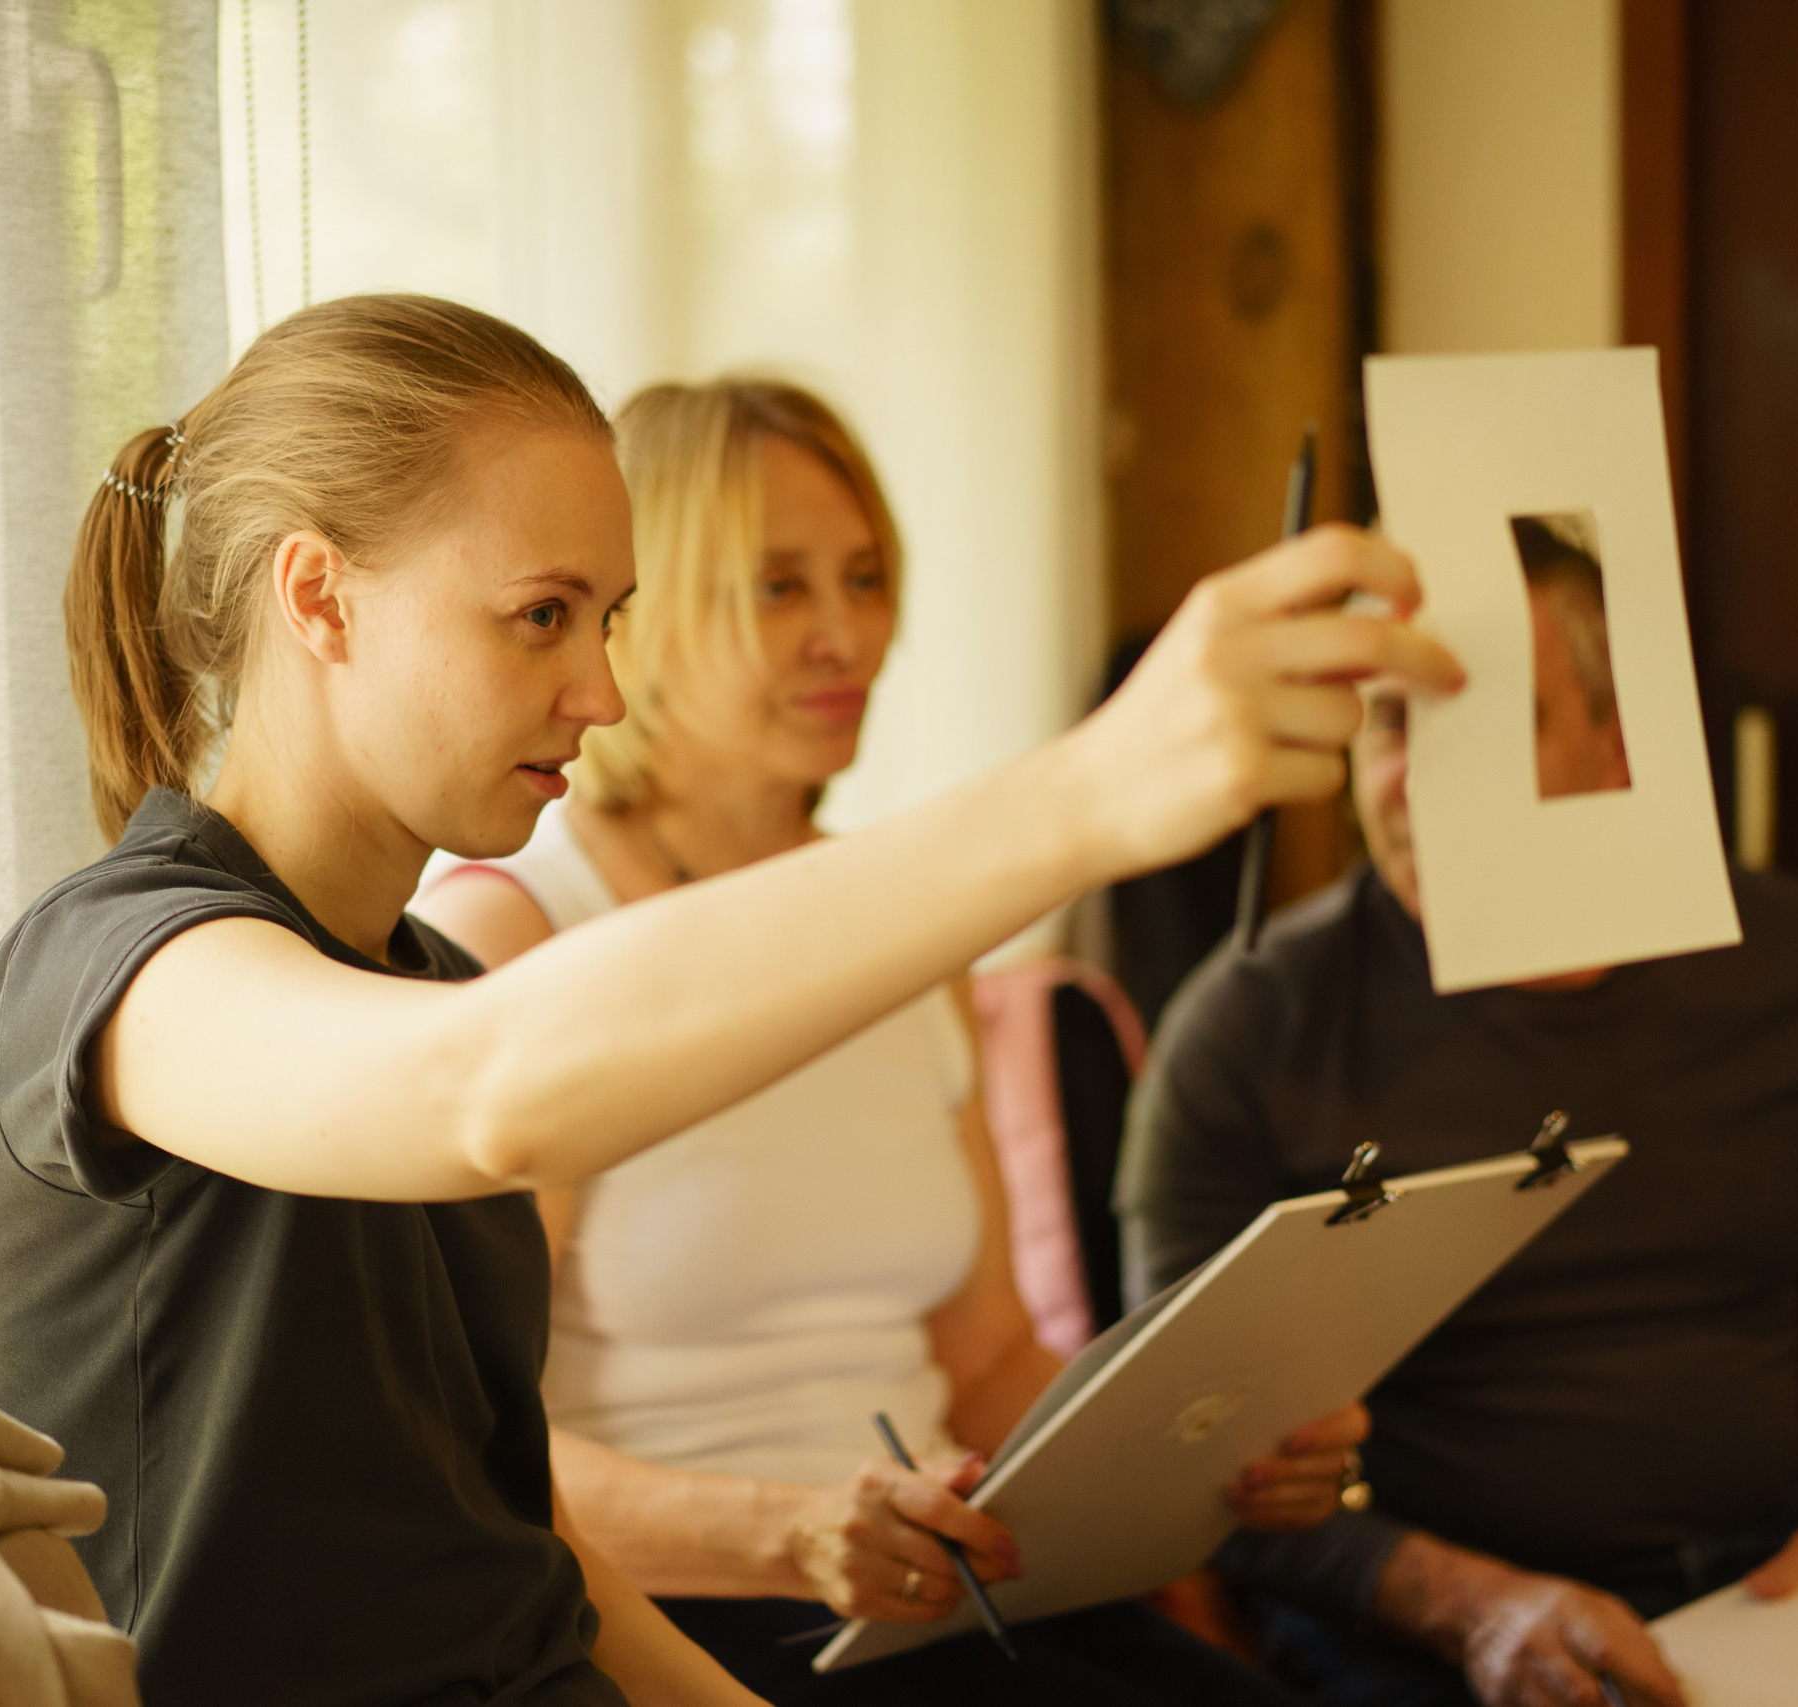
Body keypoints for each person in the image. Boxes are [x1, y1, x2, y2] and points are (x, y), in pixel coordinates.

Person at [0, 296, 1464, 1707]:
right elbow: (484, 1090)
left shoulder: (425, 975)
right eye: (542, 614)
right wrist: (1093, 791)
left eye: (610, 619)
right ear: (318, 597)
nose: (599, 688)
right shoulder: (120, 972)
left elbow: (536, 1548)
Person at [1116, 518, 1798, 1707]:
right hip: (1426, 1615)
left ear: (1617, 742)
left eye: (1490, 727)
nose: (1417, 785)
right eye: (1390, 725)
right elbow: (1180, 1451)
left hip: (1782, 1576)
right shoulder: (1248, 1024)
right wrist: (1460, 1601)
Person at [414, 378, 1356, 1707]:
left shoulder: (909, 922)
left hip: (935, 1586)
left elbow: (982, 1358)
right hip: (674, 1615)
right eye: (781, 586)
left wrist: (1206, 1435)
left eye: (864, 578)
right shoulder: (513, 934)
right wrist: (785, 1524)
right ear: (645, 607)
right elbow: (464, 1454)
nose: (845, 632)